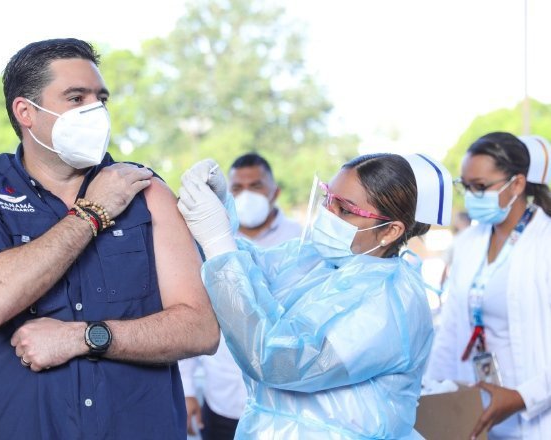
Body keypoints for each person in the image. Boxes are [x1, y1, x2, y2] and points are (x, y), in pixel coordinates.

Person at [0, 38, 219, 439]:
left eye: (100, 98)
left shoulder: (145, 191)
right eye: (75, 98)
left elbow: (200, 329)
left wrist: (85, 337)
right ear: (25, 111)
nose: (94, 111)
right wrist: (91, 214)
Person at [178, 152, 453, 439]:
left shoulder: (392, 304)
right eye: (328, 199)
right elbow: (250, 271)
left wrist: (219, 242)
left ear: (391, 231)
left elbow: (280, 361)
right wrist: (221, 219)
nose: (327, 213)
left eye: (345, 210)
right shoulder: (317, 259)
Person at [425, 132, 551, 440]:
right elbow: (452, 327)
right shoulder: (469, 243)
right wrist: (432, 390)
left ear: (517, 184)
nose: (471, 196)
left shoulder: (545, 244)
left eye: (480, 187)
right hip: (478, 412)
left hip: (534, 415)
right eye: (465, 187)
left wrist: (523, 397)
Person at [179, 152, 301, 440]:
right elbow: (191, 311)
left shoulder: (301, 244)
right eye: (237, 188)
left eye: (256, 186)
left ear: (275, 191)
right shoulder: (207, 244)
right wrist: (187, 390)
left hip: (286, 405)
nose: (247, 194)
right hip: (223, 399)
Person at [229, 152, 302, 246]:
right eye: (237, 188)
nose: (246, 197)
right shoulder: (218, 237)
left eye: (255, 187)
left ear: (276, 193)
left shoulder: (298, 236)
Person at [440, 210, 471, 288]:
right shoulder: (481, 237)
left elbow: (446, 265)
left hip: (459, 283)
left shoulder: (456, 240)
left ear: (462, 221)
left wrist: (441, 284)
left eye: (456, 220)